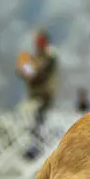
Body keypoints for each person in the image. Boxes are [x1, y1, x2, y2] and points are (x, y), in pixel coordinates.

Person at [16, 29, 58, 158]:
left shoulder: (50, 54)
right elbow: (28, 73)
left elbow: (39, 70)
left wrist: (28, 68)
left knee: (39, 119)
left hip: (44, 94)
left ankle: (40, 147)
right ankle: (35, 146)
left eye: (39, 40)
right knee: (34, 120)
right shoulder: (36, 56)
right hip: (35, 93)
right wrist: (23, 70)